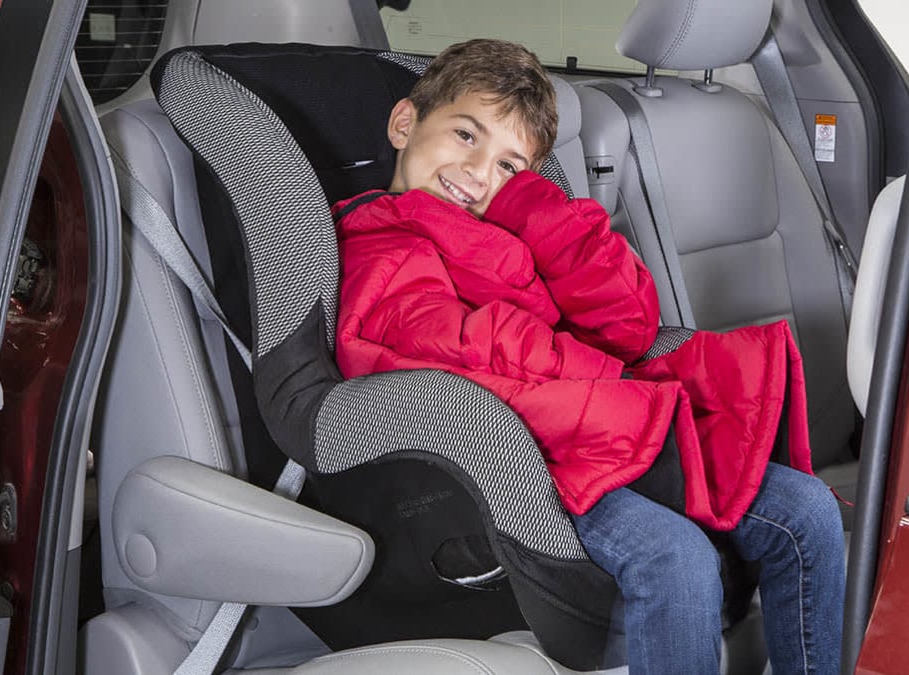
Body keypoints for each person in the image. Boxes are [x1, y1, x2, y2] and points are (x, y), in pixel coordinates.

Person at [332, 38, 845, 674]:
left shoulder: (508, 229)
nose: (479, 172)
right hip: (525, 463)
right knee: (675, 554)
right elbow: (449, 349)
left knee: (808, 510)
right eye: (466, 136)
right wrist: (597, 377)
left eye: (509, 165)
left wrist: (536, 206)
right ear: (405, 124)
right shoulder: (383, 243)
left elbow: (629, 326)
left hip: (599, 429)